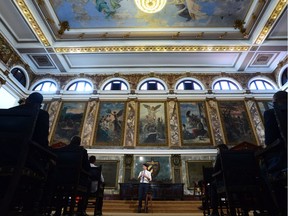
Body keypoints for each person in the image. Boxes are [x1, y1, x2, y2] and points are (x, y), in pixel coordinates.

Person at [263, 90, 287, 215]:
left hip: (284, 158)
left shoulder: (271, 113)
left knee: (263, 173)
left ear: (276, 102)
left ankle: (277, 210)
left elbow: (270, 140)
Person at [54, 135, 90, 216]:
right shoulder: (82, 151)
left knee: (60, 190)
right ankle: (80, 210)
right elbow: (87, 167)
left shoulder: (61, 150)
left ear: (71, 141)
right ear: (79, 142)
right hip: (75, 179)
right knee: (88, 185)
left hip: (59, 179)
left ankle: (58, 210)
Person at [209, 144, 229, 216]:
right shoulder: (235, 155)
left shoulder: (220, 156)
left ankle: (215, 211)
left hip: (225, 182)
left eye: (217, 150)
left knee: (213, 186)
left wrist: (214, 175)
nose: (217, 152)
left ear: (220, 150)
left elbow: (215, 170)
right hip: (238, 182)